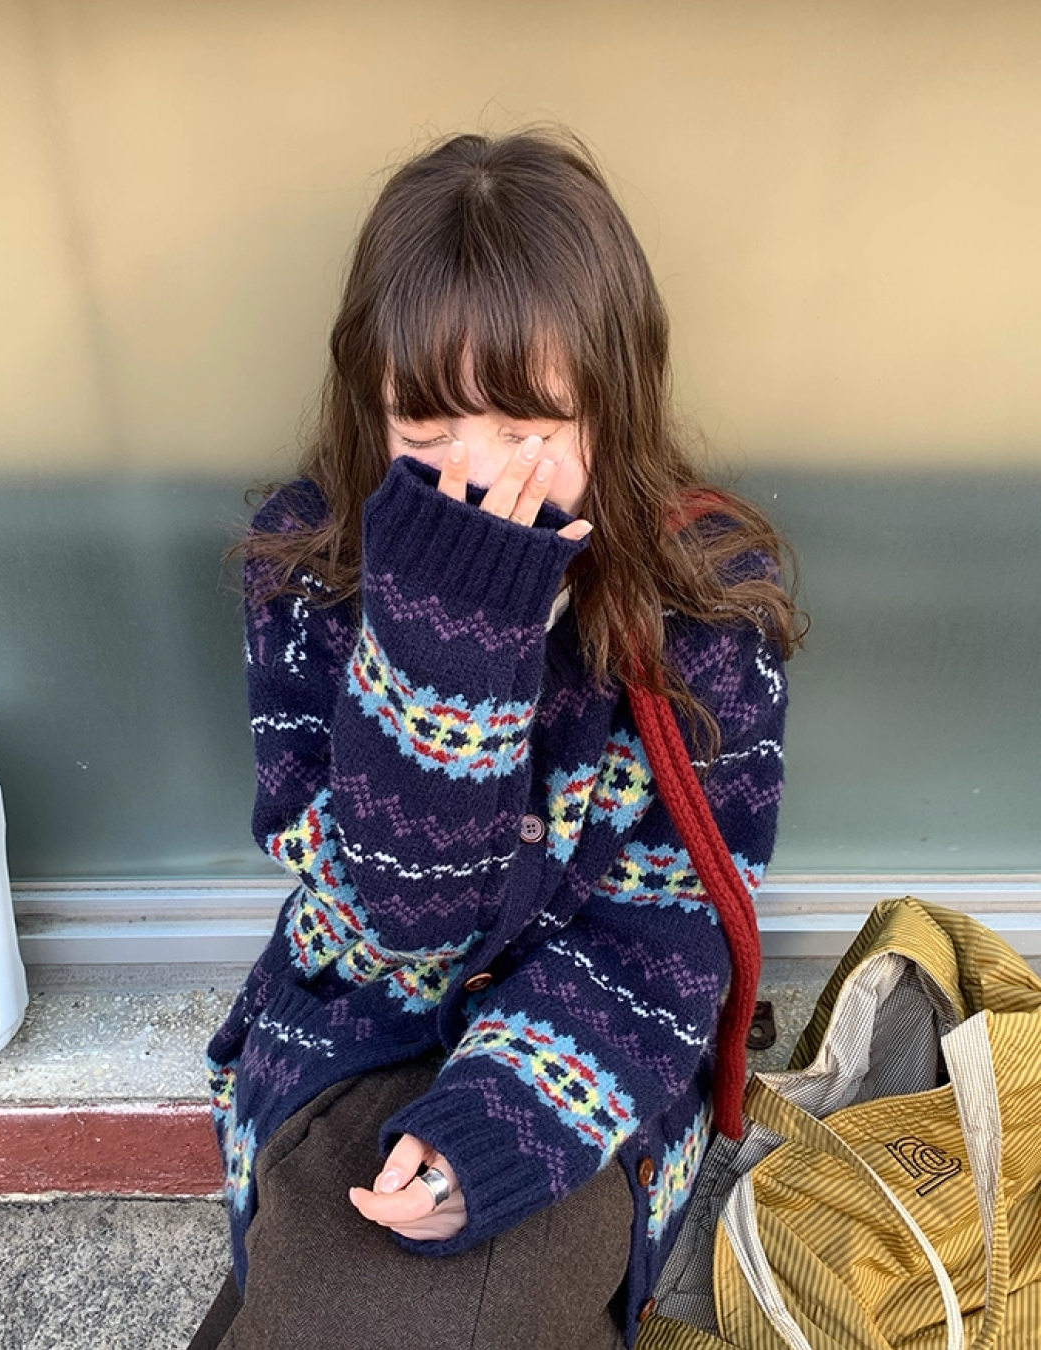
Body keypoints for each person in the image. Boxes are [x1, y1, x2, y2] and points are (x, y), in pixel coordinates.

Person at [189, 128, 803, 1350]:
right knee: (336, 1297)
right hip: (360, 1021)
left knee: (462, 1315)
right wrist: (444, 645)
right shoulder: (308, 573)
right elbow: (397, 922)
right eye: (426, 428)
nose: (475, 475)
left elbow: (668, 933)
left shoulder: (710, 605)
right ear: (371, 405)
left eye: (527, 426)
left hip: (591, 1060)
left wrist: (507, 1123)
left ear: (612, 403)